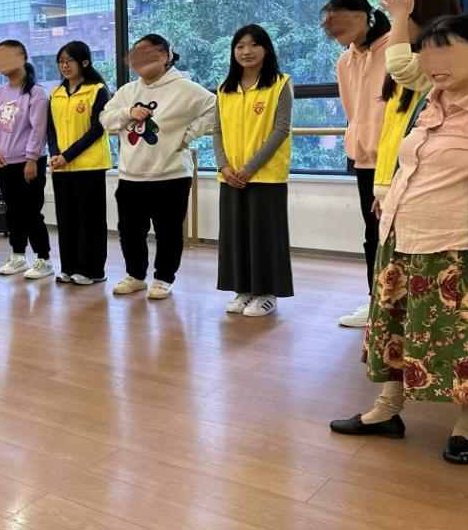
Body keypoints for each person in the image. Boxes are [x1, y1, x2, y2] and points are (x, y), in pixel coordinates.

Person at [330, 15, 468, 465]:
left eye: (447, 50)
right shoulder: (427, 103)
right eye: (427, 52)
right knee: (396, 327)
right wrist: (392, 197)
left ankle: (467, 427)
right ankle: (388, 410)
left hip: (463, 248)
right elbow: (412, 162)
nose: (435, 63)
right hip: (402, 239)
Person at [101, 34, 216, 299]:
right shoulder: (128, 91)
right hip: (131, 175)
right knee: (130, 231)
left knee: (168, 232)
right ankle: (136, 275)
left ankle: (164, 278)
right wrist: (128, 113)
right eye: (135, 55)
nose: (140, 60)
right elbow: (105, 118)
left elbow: (215, 108)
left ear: (165, 56)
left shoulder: (184, 87)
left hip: (171, 175)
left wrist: (188, 136)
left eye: (147, 54)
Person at [212, 24, 294, 317]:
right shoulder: (225, 89)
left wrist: (249, 168)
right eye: (240, 46)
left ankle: (266, 293)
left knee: (265, 236)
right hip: (230, 176)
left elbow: (281, 130)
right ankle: (243, 290)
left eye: (253, 45)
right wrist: (224, 166)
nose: (246, 51)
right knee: (236, 235)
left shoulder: (280, 84)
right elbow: (217, 130)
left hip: (265, 175)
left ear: (266, 49)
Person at [321, 0, 392, 327]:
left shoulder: (395, 48)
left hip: (396, 156)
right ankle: (376, 302)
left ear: (363, 16)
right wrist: (358, 139)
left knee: (396, 234)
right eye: (331, 27)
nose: (337, 32)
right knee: (372, 233)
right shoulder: (344, 60)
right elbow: (352, 109)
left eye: (342, 23)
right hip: (364, 159)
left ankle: (399, 304)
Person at [374, 0, 462, 204]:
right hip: (393, 181)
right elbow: (392, 130)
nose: (398, 25)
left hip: (416, 186)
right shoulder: (414, 63)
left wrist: (399, 14)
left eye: (406, 15)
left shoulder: (443, 66)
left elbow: (399, 65)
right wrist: (383, 187)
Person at [0, 40, 53, 280]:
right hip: (4, 163)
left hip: (29, 163)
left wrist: (32, 159)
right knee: (13, 211)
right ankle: (18, 254)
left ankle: (43, 258)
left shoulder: (37, 93)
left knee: (31, 212)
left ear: (23, 57)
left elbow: (38, 130)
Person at [45, 41, 111, 285]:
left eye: (69, 60)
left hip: (89, 165)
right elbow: (50, 128)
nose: (64, 65)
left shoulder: (97, 90)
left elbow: (96, 130)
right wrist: (55, 154)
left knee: (90, 220)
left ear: (84, 62)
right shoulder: (56, 93)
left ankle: (93, 270)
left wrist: (67, 155)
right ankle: (69, 267)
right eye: (61, 61)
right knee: (66, 219)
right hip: (62, 166)